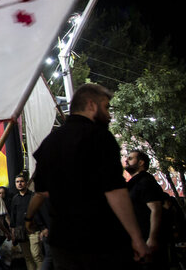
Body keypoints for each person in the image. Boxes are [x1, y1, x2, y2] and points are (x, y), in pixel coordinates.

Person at [26, 83, 148, 269]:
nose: (108, 115)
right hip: (100, 239)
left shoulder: (49, 143)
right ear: (91, 105)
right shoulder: (99, 137)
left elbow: (42, 192)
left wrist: (30, 217)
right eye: (106, 107)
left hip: (62, 241)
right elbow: (115, 191)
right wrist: (137, 238)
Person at [125, 150, 165, 268]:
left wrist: (152, 238)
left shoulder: (145, 182)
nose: (126, 160)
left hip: (146, 241)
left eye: (131, 158)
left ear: (141, 162)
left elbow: (156, 209)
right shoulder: (135, 184)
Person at [10, 174, 42, 270]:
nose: (19, 183)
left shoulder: (33, 196)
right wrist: (13, 232)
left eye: (21, 181)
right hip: (20, 231)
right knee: (28, 257)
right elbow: (13, 216)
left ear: (26, 183)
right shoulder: (15, 198)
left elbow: (39, 212)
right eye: (17, 182)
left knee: (36, 255)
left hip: (33, 230)